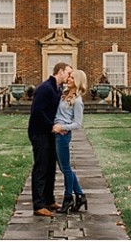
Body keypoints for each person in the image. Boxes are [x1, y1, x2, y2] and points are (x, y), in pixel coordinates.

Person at [28, 62, 72, 217]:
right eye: (68, 73)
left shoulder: (57, 89)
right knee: (41, 167)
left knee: (50, 167)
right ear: (60, 72)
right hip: (39, 133)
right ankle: (38, 205)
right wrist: (52, 126)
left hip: (49, 133)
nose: (69, 76)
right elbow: (37, 112)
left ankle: (49, 200)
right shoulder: (44, 88)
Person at [52, 69, 88, 214]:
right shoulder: (64, 94)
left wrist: (62, 127)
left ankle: (68, 198)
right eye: (69, 76)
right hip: (56, 133)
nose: (69, 79)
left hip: (63, 135)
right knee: (63, 167)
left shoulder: (78, 101)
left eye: (72, 78)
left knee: (65, 168)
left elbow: (78, 124)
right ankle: (80, 195)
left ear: (78, 81)